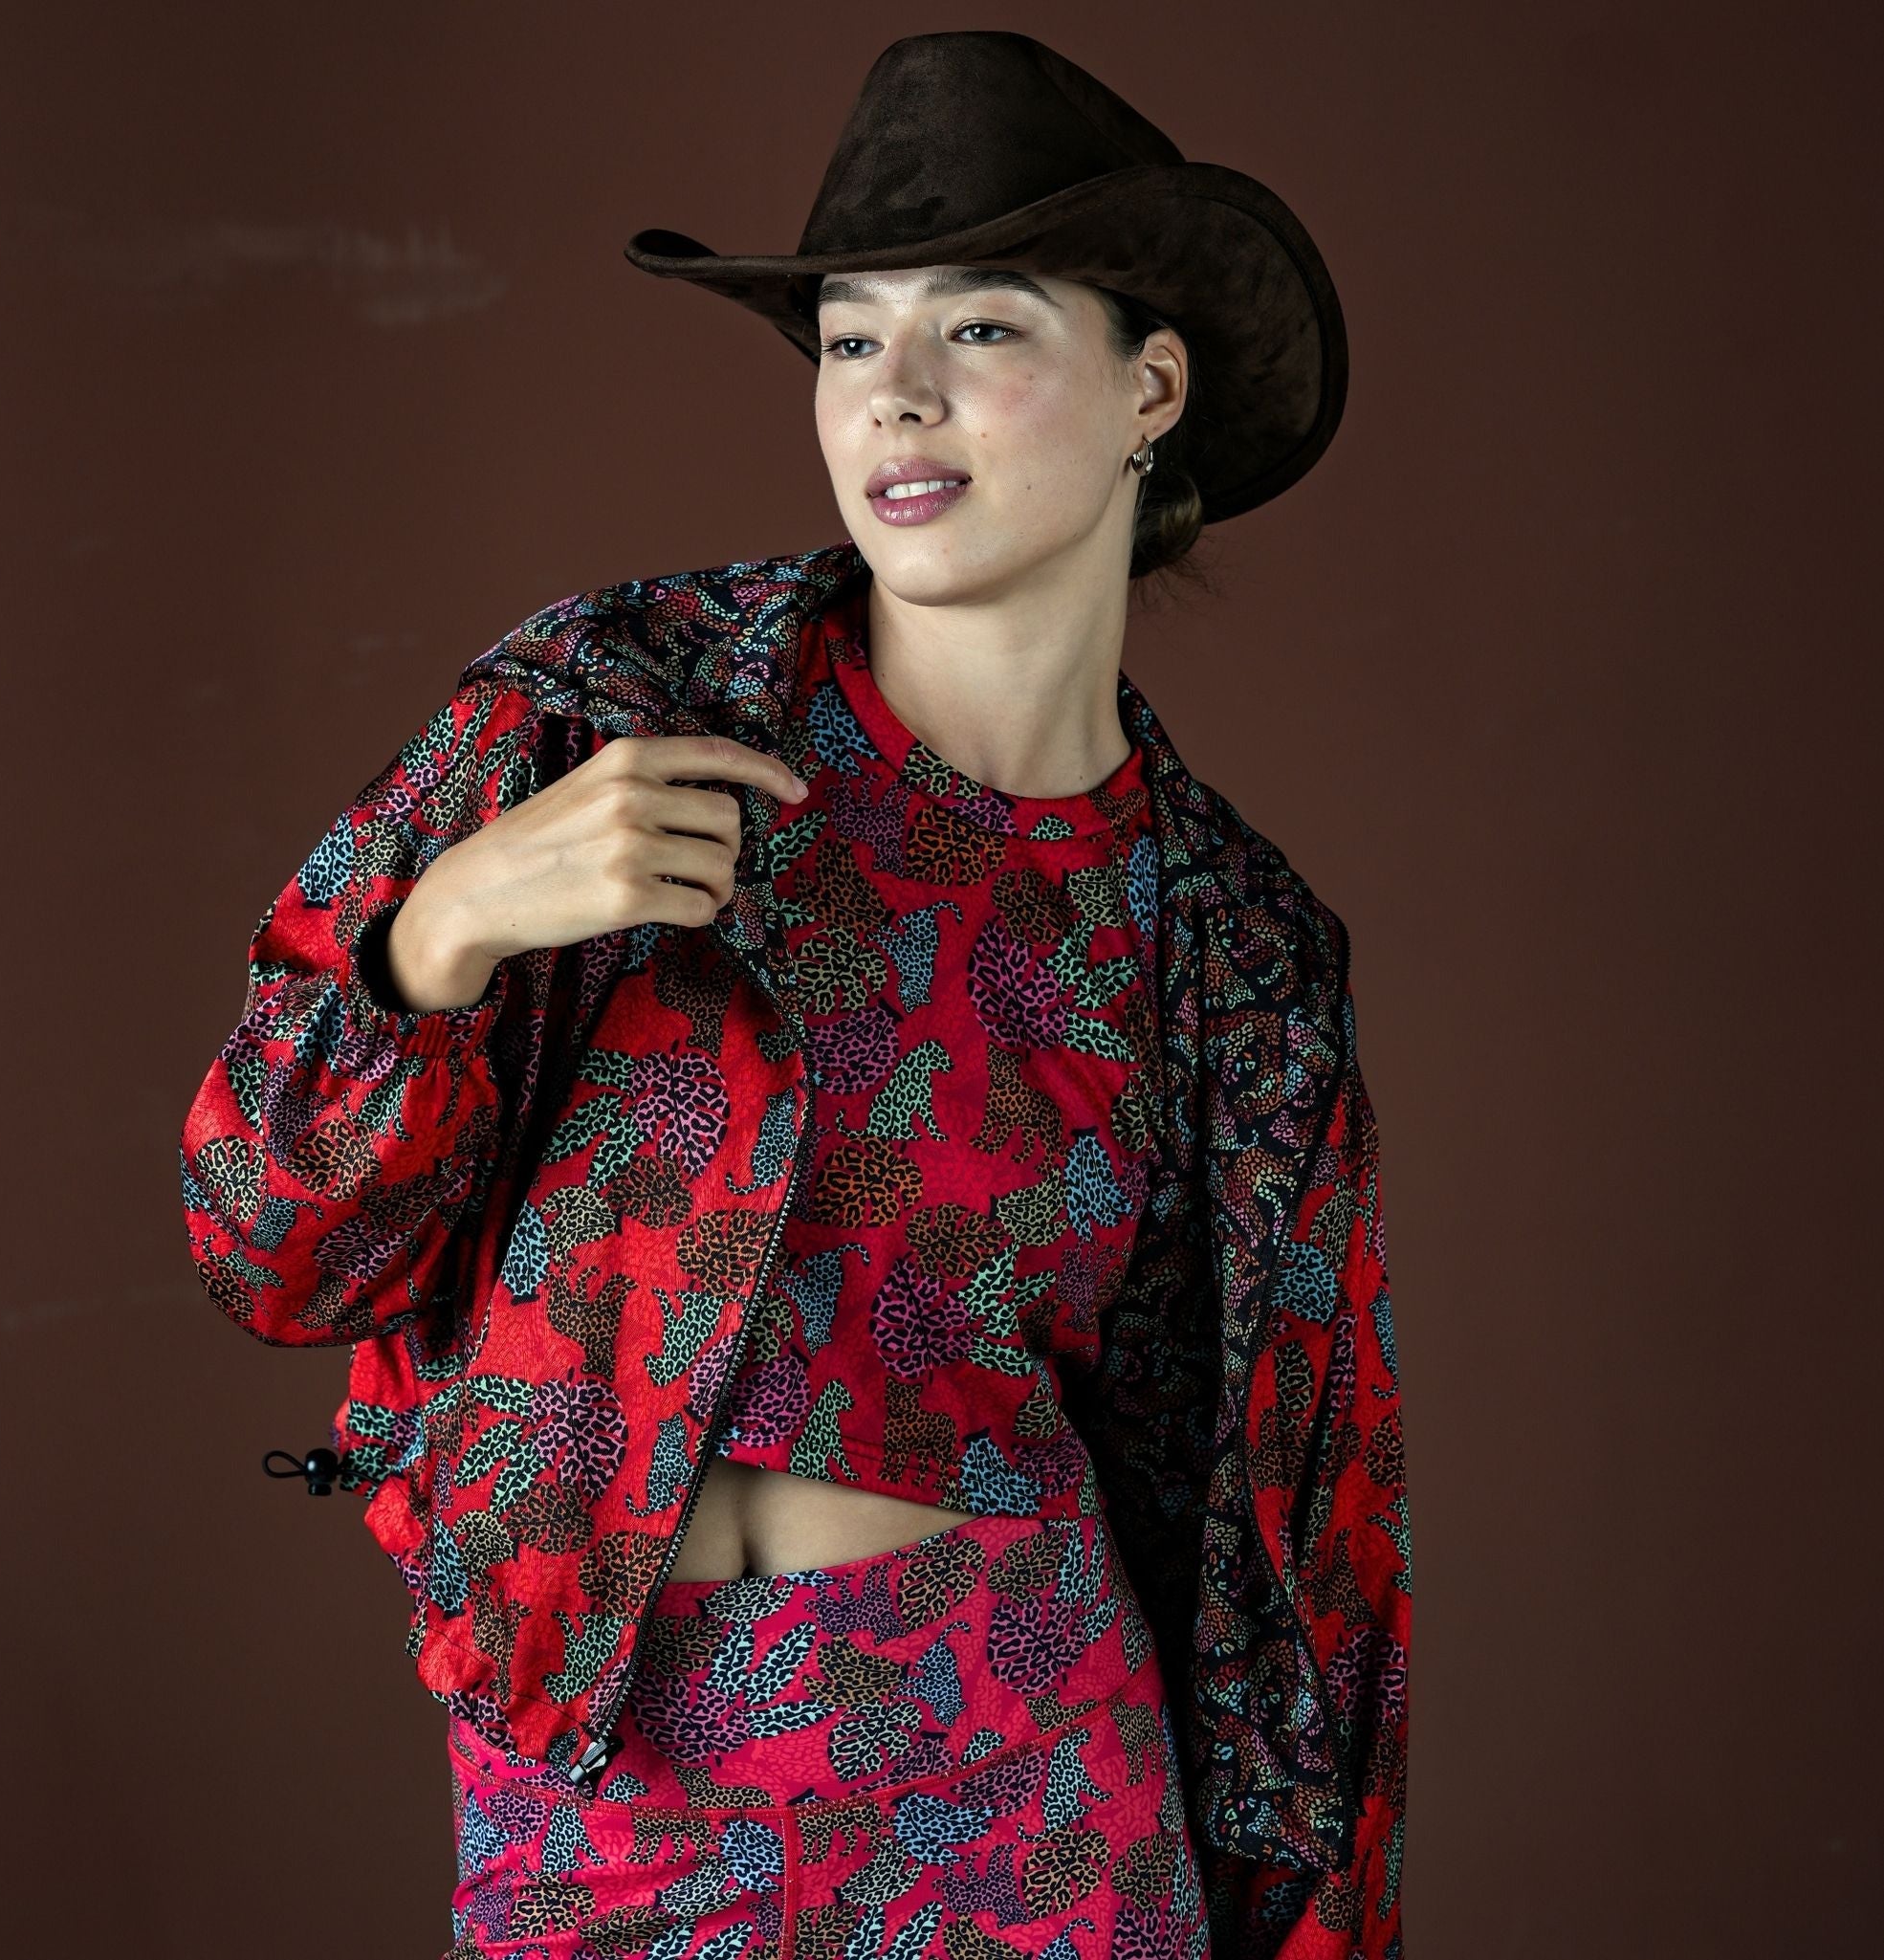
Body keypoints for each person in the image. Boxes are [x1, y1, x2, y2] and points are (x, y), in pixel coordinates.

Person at [180, 30, 1410, 1960]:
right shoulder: (605, 706)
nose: (894, 392)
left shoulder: (1229, 945)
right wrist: (446, 927)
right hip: (605, 1785)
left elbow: (1293, 1549)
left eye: (979, 326)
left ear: (1150, 386)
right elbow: (265, 1247)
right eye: (848, 339)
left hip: (1019, 1779)